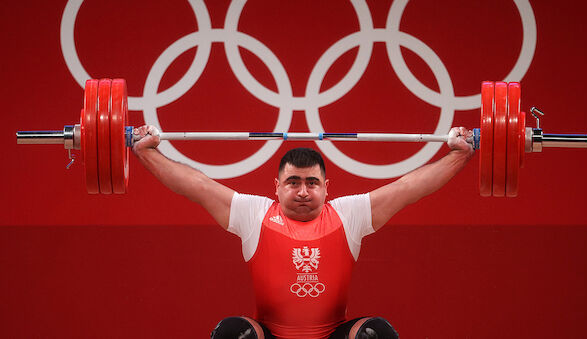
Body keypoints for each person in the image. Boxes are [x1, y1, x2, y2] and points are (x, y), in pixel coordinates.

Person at [133, 125, 474, 339]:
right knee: (232, 334)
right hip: (268, 335)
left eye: (312, 183)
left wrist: (458, 157)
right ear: (277, 187)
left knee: (375, 334)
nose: (302, 192)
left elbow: (409, 187)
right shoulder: (255, 213)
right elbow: (197, 185)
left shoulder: (347, 214)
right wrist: (146, 152)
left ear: (326, 188)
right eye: (293, 182)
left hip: (334, 335)